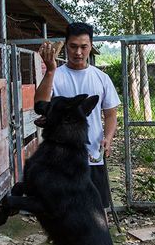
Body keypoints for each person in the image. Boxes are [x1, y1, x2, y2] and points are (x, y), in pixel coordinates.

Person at [35, 22, 120, 212]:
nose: (78, 52)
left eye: (84, 46)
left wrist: (108, 137)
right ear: (66, 46)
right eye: (73, 46)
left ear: (91, 46)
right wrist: (49, 70)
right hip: (60, 158)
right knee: (62, 209)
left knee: (97, 208)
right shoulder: (55, 76)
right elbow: (40, 105)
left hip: (92, 154)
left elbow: (111, 114)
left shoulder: (101, 78)